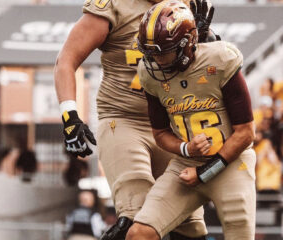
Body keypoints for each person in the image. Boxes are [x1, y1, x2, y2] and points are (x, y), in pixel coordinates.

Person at [54, 0, 217, 239]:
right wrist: (70, 115)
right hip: (124, 119)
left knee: (188, 226)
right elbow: (66, 60)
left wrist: (204, 43)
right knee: (137, 214)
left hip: (172, 126)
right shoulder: (113, 6)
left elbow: (213, 71)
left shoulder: (189, 5)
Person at [126, 1, 256, 239]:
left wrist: (204, 173)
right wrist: (185, 148)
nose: (157, 60)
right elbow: (160, 134)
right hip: (185, 164)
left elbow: (246, 133)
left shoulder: (219, 60)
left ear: (188, 43)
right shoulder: (149, 74)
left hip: (232, 162)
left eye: (163, 51)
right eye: (151, 52)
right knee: (139, 234)